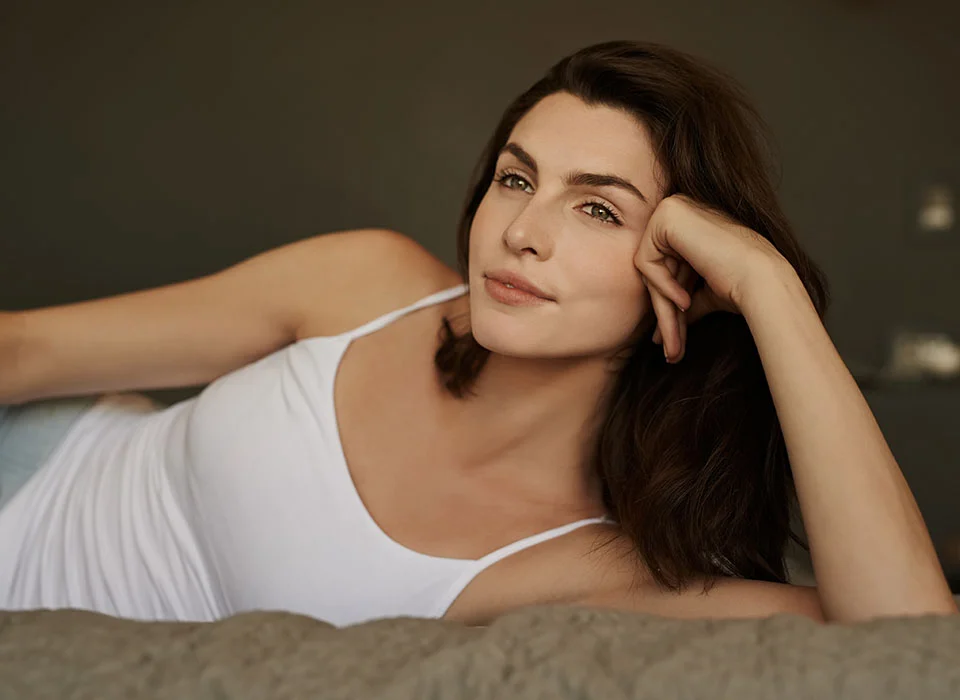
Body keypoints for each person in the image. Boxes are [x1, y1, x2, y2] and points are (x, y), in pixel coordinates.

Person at [0, 40, 956, 628]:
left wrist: (770, 289)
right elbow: (24, 350)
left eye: (599, 212)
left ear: (685, 271)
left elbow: (904, 631)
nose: (522, 231)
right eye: (515, 177)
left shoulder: (590, 568)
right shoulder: (368, 282)